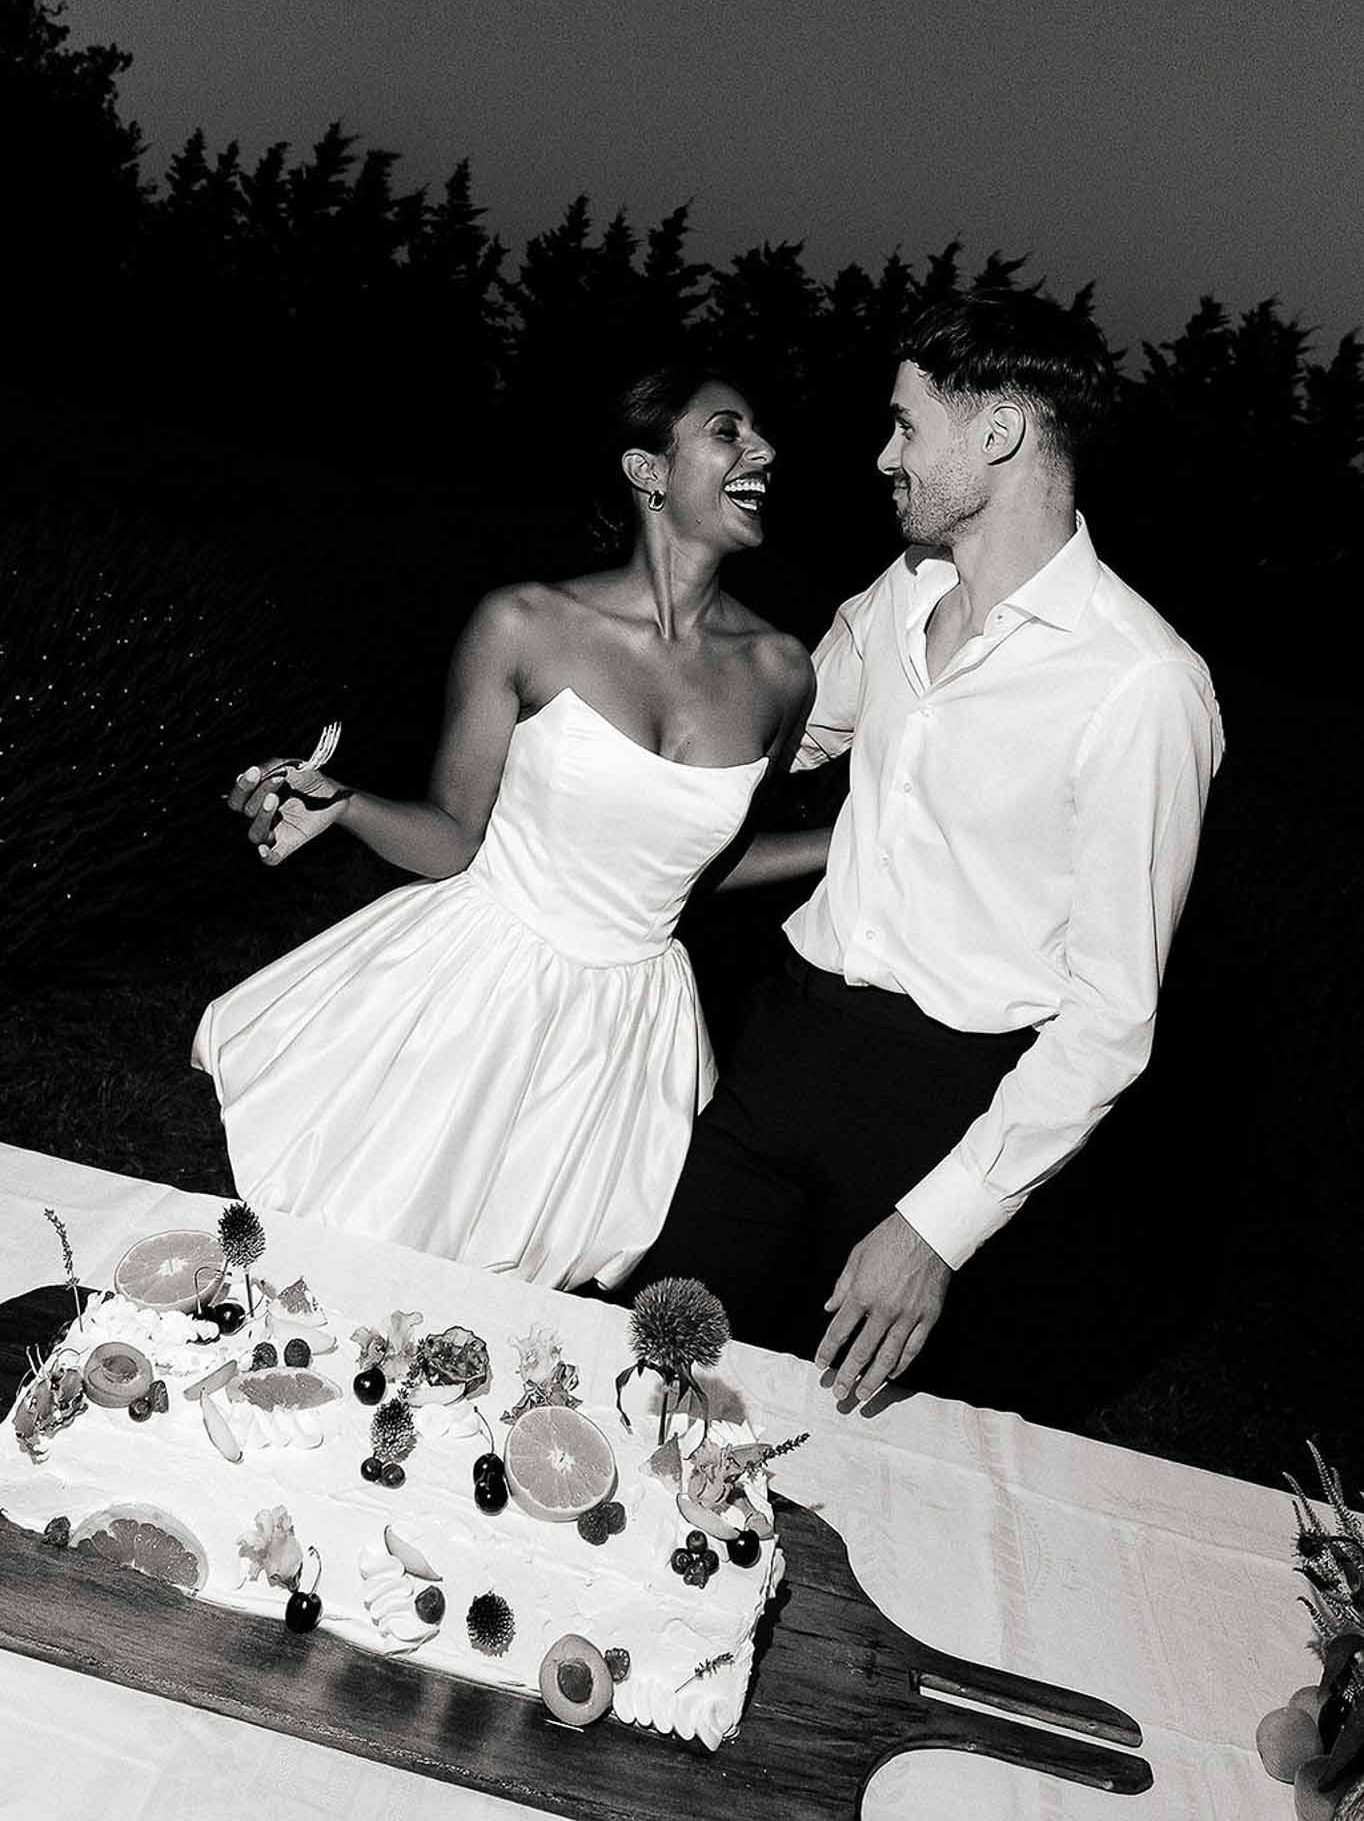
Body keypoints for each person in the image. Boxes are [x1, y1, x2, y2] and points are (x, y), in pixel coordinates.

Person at [627, 289, 1224, 1406]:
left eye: (906, 425)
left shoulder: (1141, 685)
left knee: (827, 1451)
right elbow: (782, 740)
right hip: (784, 1041)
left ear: (995, 434)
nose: (880, 455)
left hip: (940, 1105)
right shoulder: (902, 590)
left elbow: (1108, 1022)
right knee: (658, 1360)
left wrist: (933, 1229)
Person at [192, 364, 826, 1290]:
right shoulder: (524, 623)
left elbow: (700, 862)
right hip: (477, 990)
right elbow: (453, 835)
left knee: (504, 1315)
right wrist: (351, 806)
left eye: (759, 434)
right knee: (332, 1269)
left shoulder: (781, 671)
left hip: (622, 1035)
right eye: (729, 431)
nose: (762, 451)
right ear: (648, 471)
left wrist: (852, 841)